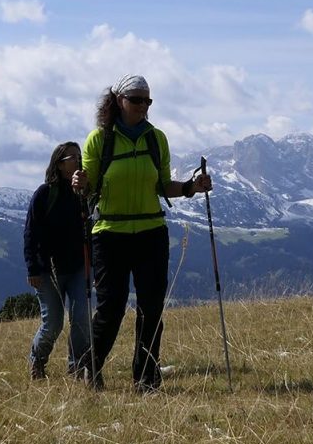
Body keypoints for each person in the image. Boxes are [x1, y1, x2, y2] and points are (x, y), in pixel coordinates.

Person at [71, 76, 212, 392]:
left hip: (151, 232)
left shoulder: (155, 139)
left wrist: (191, 187)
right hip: (109, 234)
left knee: (152, 308)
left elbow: (163, 185)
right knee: (112, 308)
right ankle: (90, 367)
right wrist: (80, 182)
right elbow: (89, 186)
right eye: (137, 100)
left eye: (148, 101)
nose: (143, 106)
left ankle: (147, 378)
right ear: (119, 100)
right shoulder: (99, 140)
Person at [22, 141, 91, 380]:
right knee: (53, 323)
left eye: (79, 156)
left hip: (78, 267)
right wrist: (32, 267)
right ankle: (37, 360)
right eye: (71, 157)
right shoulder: (45, 193)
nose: (77, 160)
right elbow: (31, 231)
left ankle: (77, 367)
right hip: (47, 270)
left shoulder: (85, 194)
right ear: (59, 165)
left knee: (82, 318)